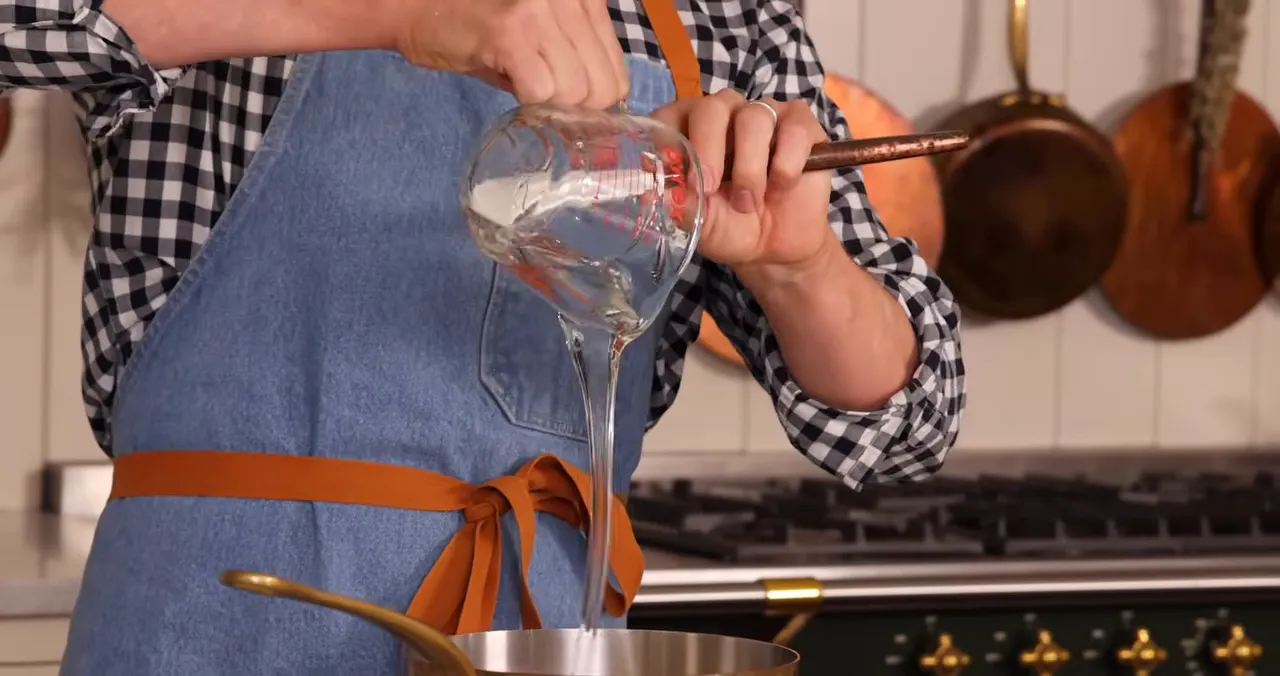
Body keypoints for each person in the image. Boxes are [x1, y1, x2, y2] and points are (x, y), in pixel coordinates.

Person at [1, 0, 966, 672]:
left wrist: (798, 264)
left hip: (535, 639)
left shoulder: (723, 17)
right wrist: (397, 13)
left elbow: (906, 420)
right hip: (208, 634)